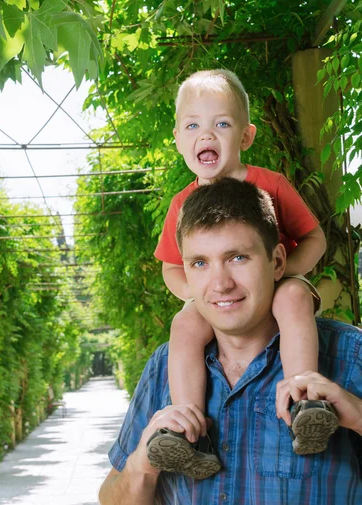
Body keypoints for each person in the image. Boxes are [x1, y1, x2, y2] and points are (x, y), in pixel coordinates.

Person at [99, 178, 362, 504]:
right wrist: (143, 462)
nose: (220, 284)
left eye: (238, 258)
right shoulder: (164, 366)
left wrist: (357, 414)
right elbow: (112, 498)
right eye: (200, 263)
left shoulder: (351, 354)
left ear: (277, 262)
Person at [153, 69, 333, 476]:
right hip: (221, 296)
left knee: (292, 298)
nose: (207, 134)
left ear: (246, 137)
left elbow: (315, 239)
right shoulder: (183, 204)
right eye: (193, 125)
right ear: (179, 139)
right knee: (184, 326)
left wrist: (280, 279)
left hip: (274, 279)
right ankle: (187, 430)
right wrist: (199, 295)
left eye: (222, 124)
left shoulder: (270, 185)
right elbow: (171, 267)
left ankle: (306, 399)